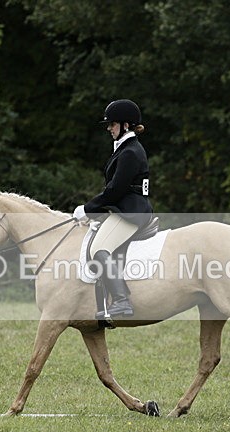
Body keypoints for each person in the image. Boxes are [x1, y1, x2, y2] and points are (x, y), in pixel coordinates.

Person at [73, 99, 153, 318]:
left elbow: (115, 190)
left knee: (98, 247)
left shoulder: (130, 152)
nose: (108, 128)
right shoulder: (126, 149)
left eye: (112, 124)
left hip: (131, 213)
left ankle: (121, 300)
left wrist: (88, 209)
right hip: (125, 210)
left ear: (126, 125)